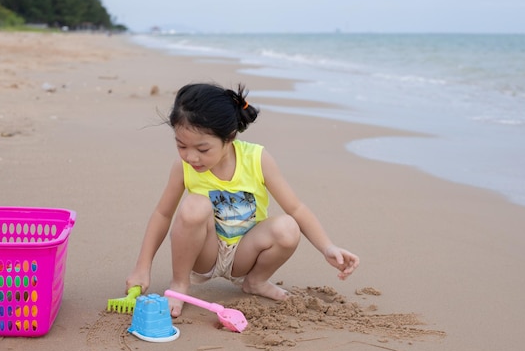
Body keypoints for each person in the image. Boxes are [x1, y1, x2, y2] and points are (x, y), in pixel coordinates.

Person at [126, 83, 359, 317]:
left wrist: (327, 247)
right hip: (204, 253)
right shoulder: (183, 167)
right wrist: (142, 267)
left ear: (229, 137)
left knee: (288, 227)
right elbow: (162, 214)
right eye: (181, 146)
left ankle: (255, 281)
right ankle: (179, 284)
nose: (191, 156)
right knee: (194, 206)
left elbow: (296, 208)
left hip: (245, 253)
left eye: (203, 149)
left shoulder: (257, 159)